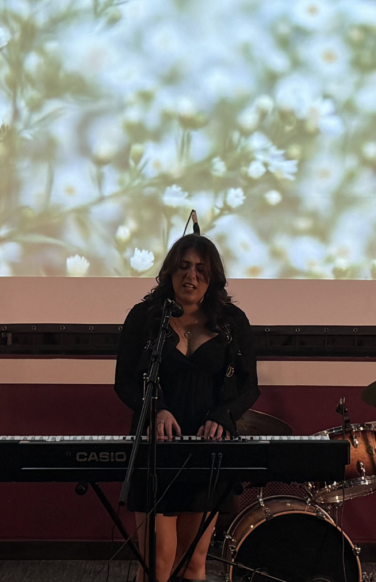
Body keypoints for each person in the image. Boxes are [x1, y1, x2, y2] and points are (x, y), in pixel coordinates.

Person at [114, 234, 260, 582]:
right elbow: (124, 383)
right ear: (169, 272)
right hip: (156, 449)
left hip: (208, 450)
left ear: (213, 277)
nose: (191, 276)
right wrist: (156, 410)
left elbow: (250, 387)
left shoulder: (232, 321)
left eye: (200, 269)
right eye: (183, 267)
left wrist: (223, 415)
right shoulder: (144, 318)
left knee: (193, 562)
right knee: (158, 562)